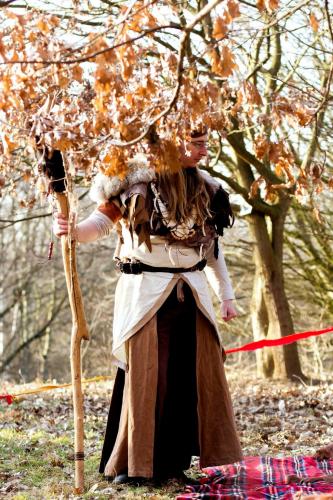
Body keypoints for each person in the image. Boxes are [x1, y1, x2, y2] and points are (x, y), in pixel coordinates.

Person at [53, 130, 243, 484]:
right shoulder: (135, 184)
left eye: (205, 142)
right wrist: (73, 230)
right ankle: (134, 465)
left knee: (187, 379)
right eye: (196, 142)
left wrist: (226, 296)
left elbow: (213, 251)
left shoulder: (208, 189)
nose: (205, 149)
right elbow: (102, 223)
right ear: (174, 142)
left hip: (192, 294)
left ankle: (174, 465)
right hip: (146, 295)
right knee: (146, 377)